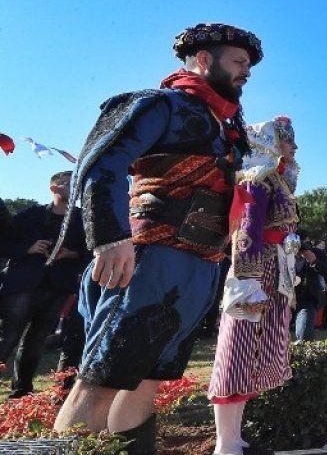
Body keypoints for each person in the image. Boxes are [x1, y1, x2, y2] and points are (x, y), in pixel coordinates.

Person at [52, 23, 263, 455]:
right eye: (239, 62)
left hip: (199, 268)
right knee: (100, 380)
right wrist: (110, 237)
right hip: (146, 262)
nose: (247, 72)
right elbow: (100, 165)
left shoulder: (225, 127)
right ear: (204, 60)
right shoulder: (156, 105)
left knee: (146, 379)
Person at [207, 116, 300, 455]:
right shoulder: (257, 180)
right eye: (288, 140)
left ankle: (235, 438)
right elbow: (246, 233)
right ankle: (225, 442)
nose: (294, 147)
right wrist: (248, 283)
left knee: (253, 356)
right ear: (273, 142)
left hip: (273, 272)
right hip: (256, 273)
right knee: (238, 350)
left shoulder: (274, 180)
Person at [0, 171, 88, 399]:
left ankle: (21, 392)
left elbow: (92, 252)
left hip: (57, 287)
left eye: (77, 182)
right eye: (69, 183)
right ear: (54, 189)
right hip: (23, 285)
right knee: (7, 338)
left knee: (35, 341)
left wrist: (71, 253)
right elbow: (4, 242)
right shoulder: (31, 215)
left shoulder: (82, 218)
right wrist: (28, 248)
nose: (74, 187)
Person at [292, 243, 326, 342]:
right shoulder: (281, 253)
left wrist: (314, 261)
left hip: (307, 300)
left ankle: (304, 352)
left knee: (305, 336)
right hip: (283, 299)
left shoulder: (316, 253)